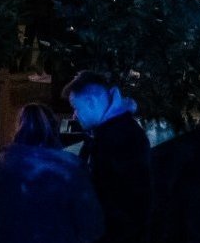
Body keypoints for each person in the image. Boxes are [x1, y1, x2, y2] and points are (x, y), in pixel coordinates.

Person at [0, 102, 103, 242]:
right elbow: (92, 224)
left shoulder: (3, 163)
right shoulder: (72, 167)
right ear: (54, 129)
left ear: (19, 129)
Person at [63, 71, 149, 243]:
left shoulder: (114, 140)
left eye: (76, 107)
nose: (74, 115)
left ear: (91, 102)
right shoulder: (118, 132)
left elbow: (116, 201)